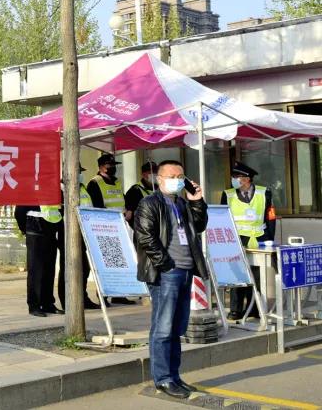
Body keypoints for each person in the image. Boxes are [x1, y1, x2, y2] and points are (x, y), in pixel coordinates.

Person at [134, 159, 208, 399]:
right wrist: (166, 265)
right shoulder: (149, 203)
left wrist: (197, 201)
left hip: (185, 271)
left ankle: (174, 376)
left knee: (177, 328)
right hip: (166, 273)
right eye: (172, 176)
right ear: (159, 179)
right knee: (163, 328)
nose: (177, 180)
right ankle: (163, 379)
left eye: (180, 176)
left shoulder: (182, 203)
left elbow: (199, 225)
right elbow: (146, 237)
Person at [220, 161, 276, 320]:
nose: (234, 179)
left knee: (258, 276)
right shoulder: (228, 194)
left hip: (259, 239)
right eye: (234, 176)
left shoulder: (265, 193)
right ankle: (236, 310)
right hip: (237, 240)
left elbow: (270, 218)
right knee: (238, 275)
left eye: (237, 177)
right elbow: (223, 219)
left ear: (247, 179)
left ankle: (255, 309)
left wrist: (270, 239)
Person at [55, 167, 101, 311]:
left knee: (84, 268)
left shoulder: (82, 187)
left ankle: (82, 298)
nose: (80, 175)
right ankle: (67, 301)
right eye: (78, 172)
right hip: (67, 232)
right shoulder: (60, 189)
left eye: (80, 172)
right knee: (67, 268)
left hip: (84, 231)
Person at [90, 153, 132, 304]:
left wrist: (128, 210)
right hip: (105, 227)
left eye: (114, 165)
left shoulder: (117, 181)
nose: (113, 168)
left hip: (120, 226)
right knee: (105, 263)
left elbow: (122, 199)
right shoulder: (95, 183)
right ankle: (103, 296)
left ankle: (119, 294)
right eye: (110, 165)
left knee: (120, 262)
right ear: (101, 167)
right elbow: (96, 206)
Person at [15, 196, 63, 317]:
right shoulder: (31, 190)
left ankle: (48, 303)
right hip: (35, 230)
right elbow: (19, 212)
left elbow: (59, 210)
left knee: (49, 269)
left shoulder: (54, 190)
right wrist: (25, 229)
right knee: (35, 270)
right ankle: (34, 305)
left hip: (50, 231)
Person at [124, 160, 158, 230]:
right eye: (150, 173)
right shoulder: (134, 190)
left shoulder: (160, 188)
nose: (154, 175)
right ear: (143, 174)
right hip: (143, 228)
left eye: (155, 172)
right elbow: (130, 215)